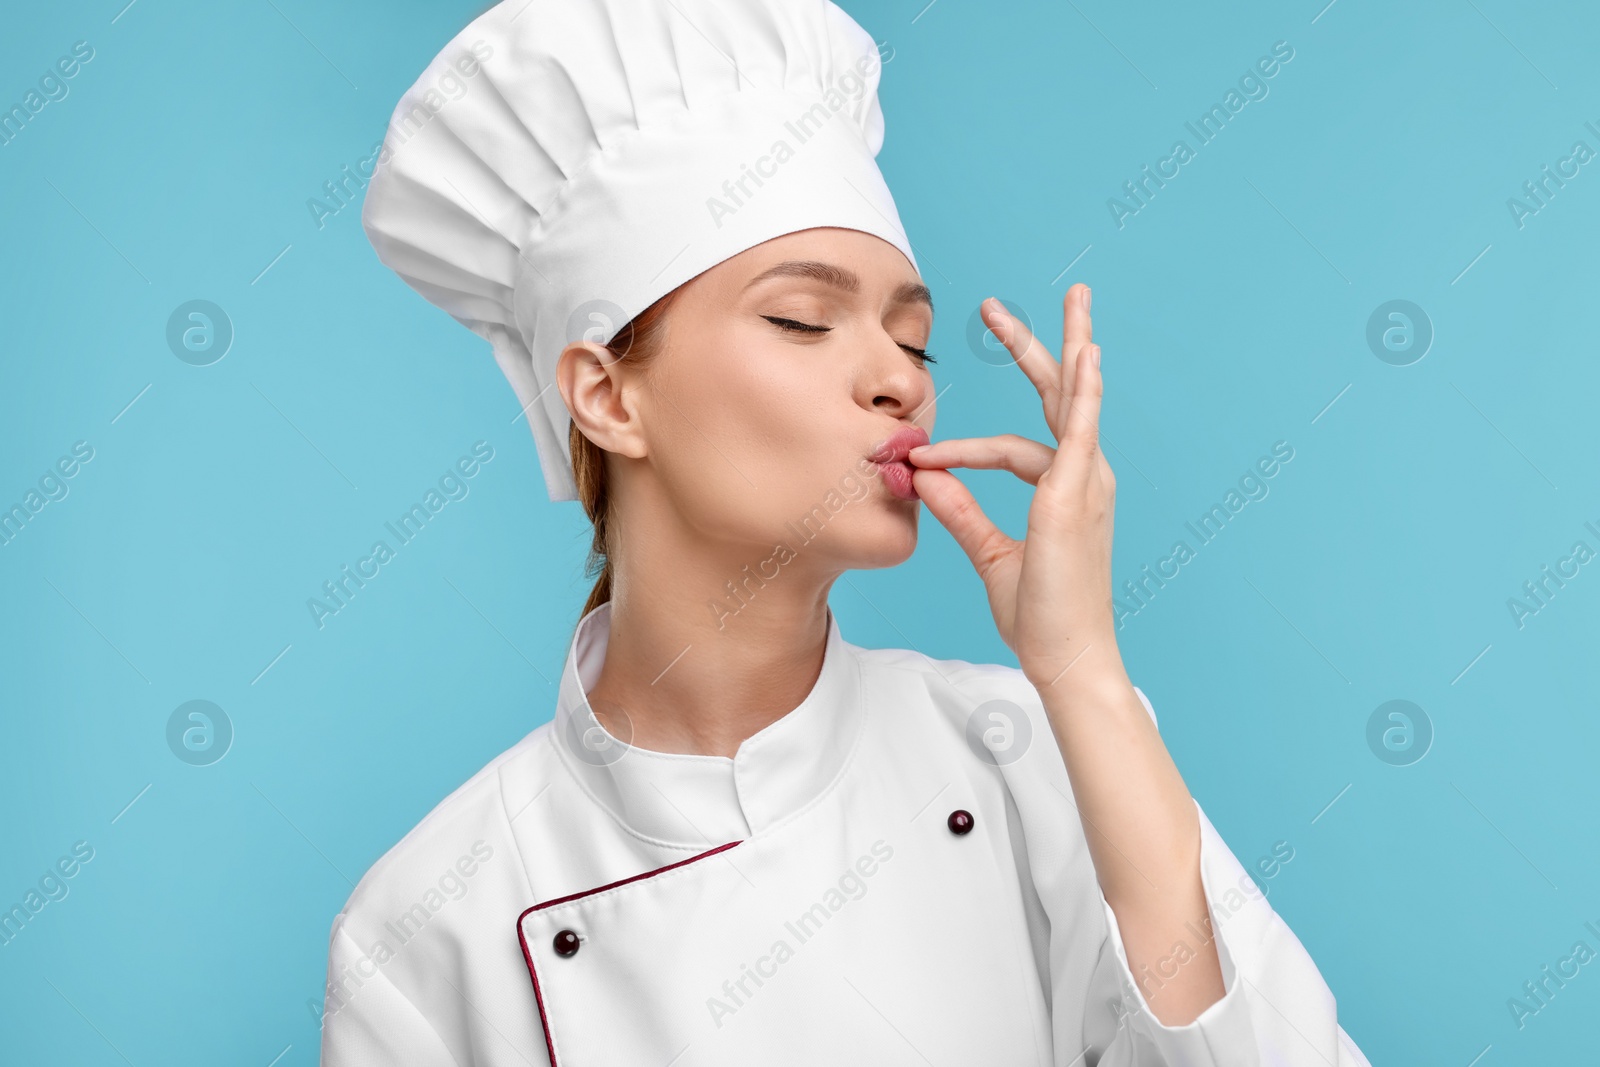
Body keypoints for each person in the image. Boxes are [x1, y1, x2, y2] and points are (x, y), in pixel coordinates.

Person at [320, 0, 1372, 1063]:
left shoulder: (1034, 749)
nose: (898, 381)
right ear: (605, 396)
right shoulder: (424, 923)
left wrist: (1085, 671)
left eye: (911, 338)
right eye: (802, 320)